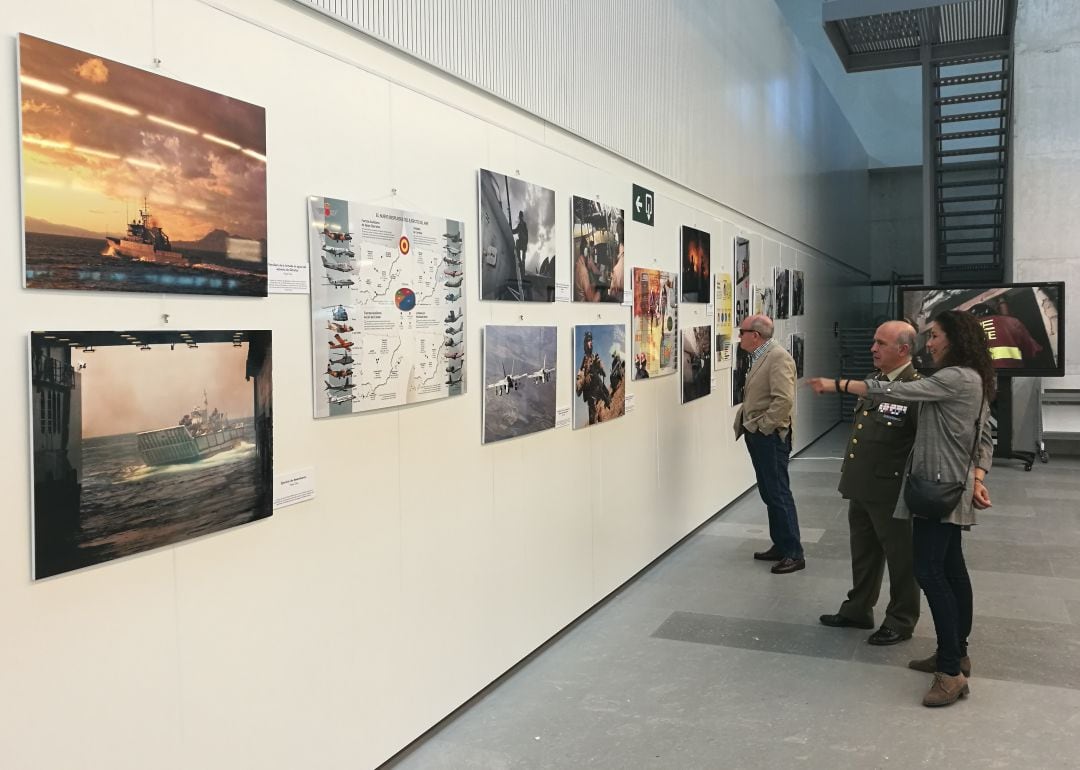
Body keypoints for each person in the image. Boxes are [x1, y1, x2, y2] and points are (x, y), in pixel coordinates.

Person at [809, 310, 994, 708]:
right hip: (901, 485)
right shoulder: (956, 378)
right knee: (947, 571)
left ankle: (948, 667)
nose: (932, 343)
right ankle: (952, 655)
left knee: (925, 570)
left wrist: (837, 383)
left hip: (925, 490)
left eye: (937, 336)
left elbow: (978, 429)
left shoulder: (942, 380)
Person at [818, 321, 922, 646]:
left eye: (881, 343)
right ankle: (858, 608)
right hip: (862, 485)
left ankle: (901, 619)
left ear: (903, 350)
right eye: (874, 342)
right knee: (863, 552)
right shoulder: (874, 381)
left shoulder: (916, 388)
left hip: (892, 490)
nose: (872, 348)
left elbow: (922, 442)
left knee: (901, 557)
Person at [732, 314, 803, 574]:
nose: (739, 336)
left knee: (778, 493)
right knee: (769, 492)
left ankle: (794, 553)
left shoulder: (778, 357)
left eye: (742, 332)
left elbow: (783, 400)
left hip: (770, 437)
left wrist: (763, 428)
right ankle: (781, 544)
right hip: (761, 435)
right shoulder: (763, 355)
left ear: (756, 335)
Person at [576, 331, 611, 424]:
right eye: (588, 340)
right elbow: (578, 386)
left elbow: (602, 371)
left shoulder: (594, 356)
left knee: (603, 413)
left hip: (599, 390)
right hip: (591, 395)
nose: (591, 342)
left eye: (591, 340)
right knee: (593, 419)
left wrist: (599, 365)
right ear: (585, 343)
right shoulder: (585, 360)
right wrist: (583, 379)